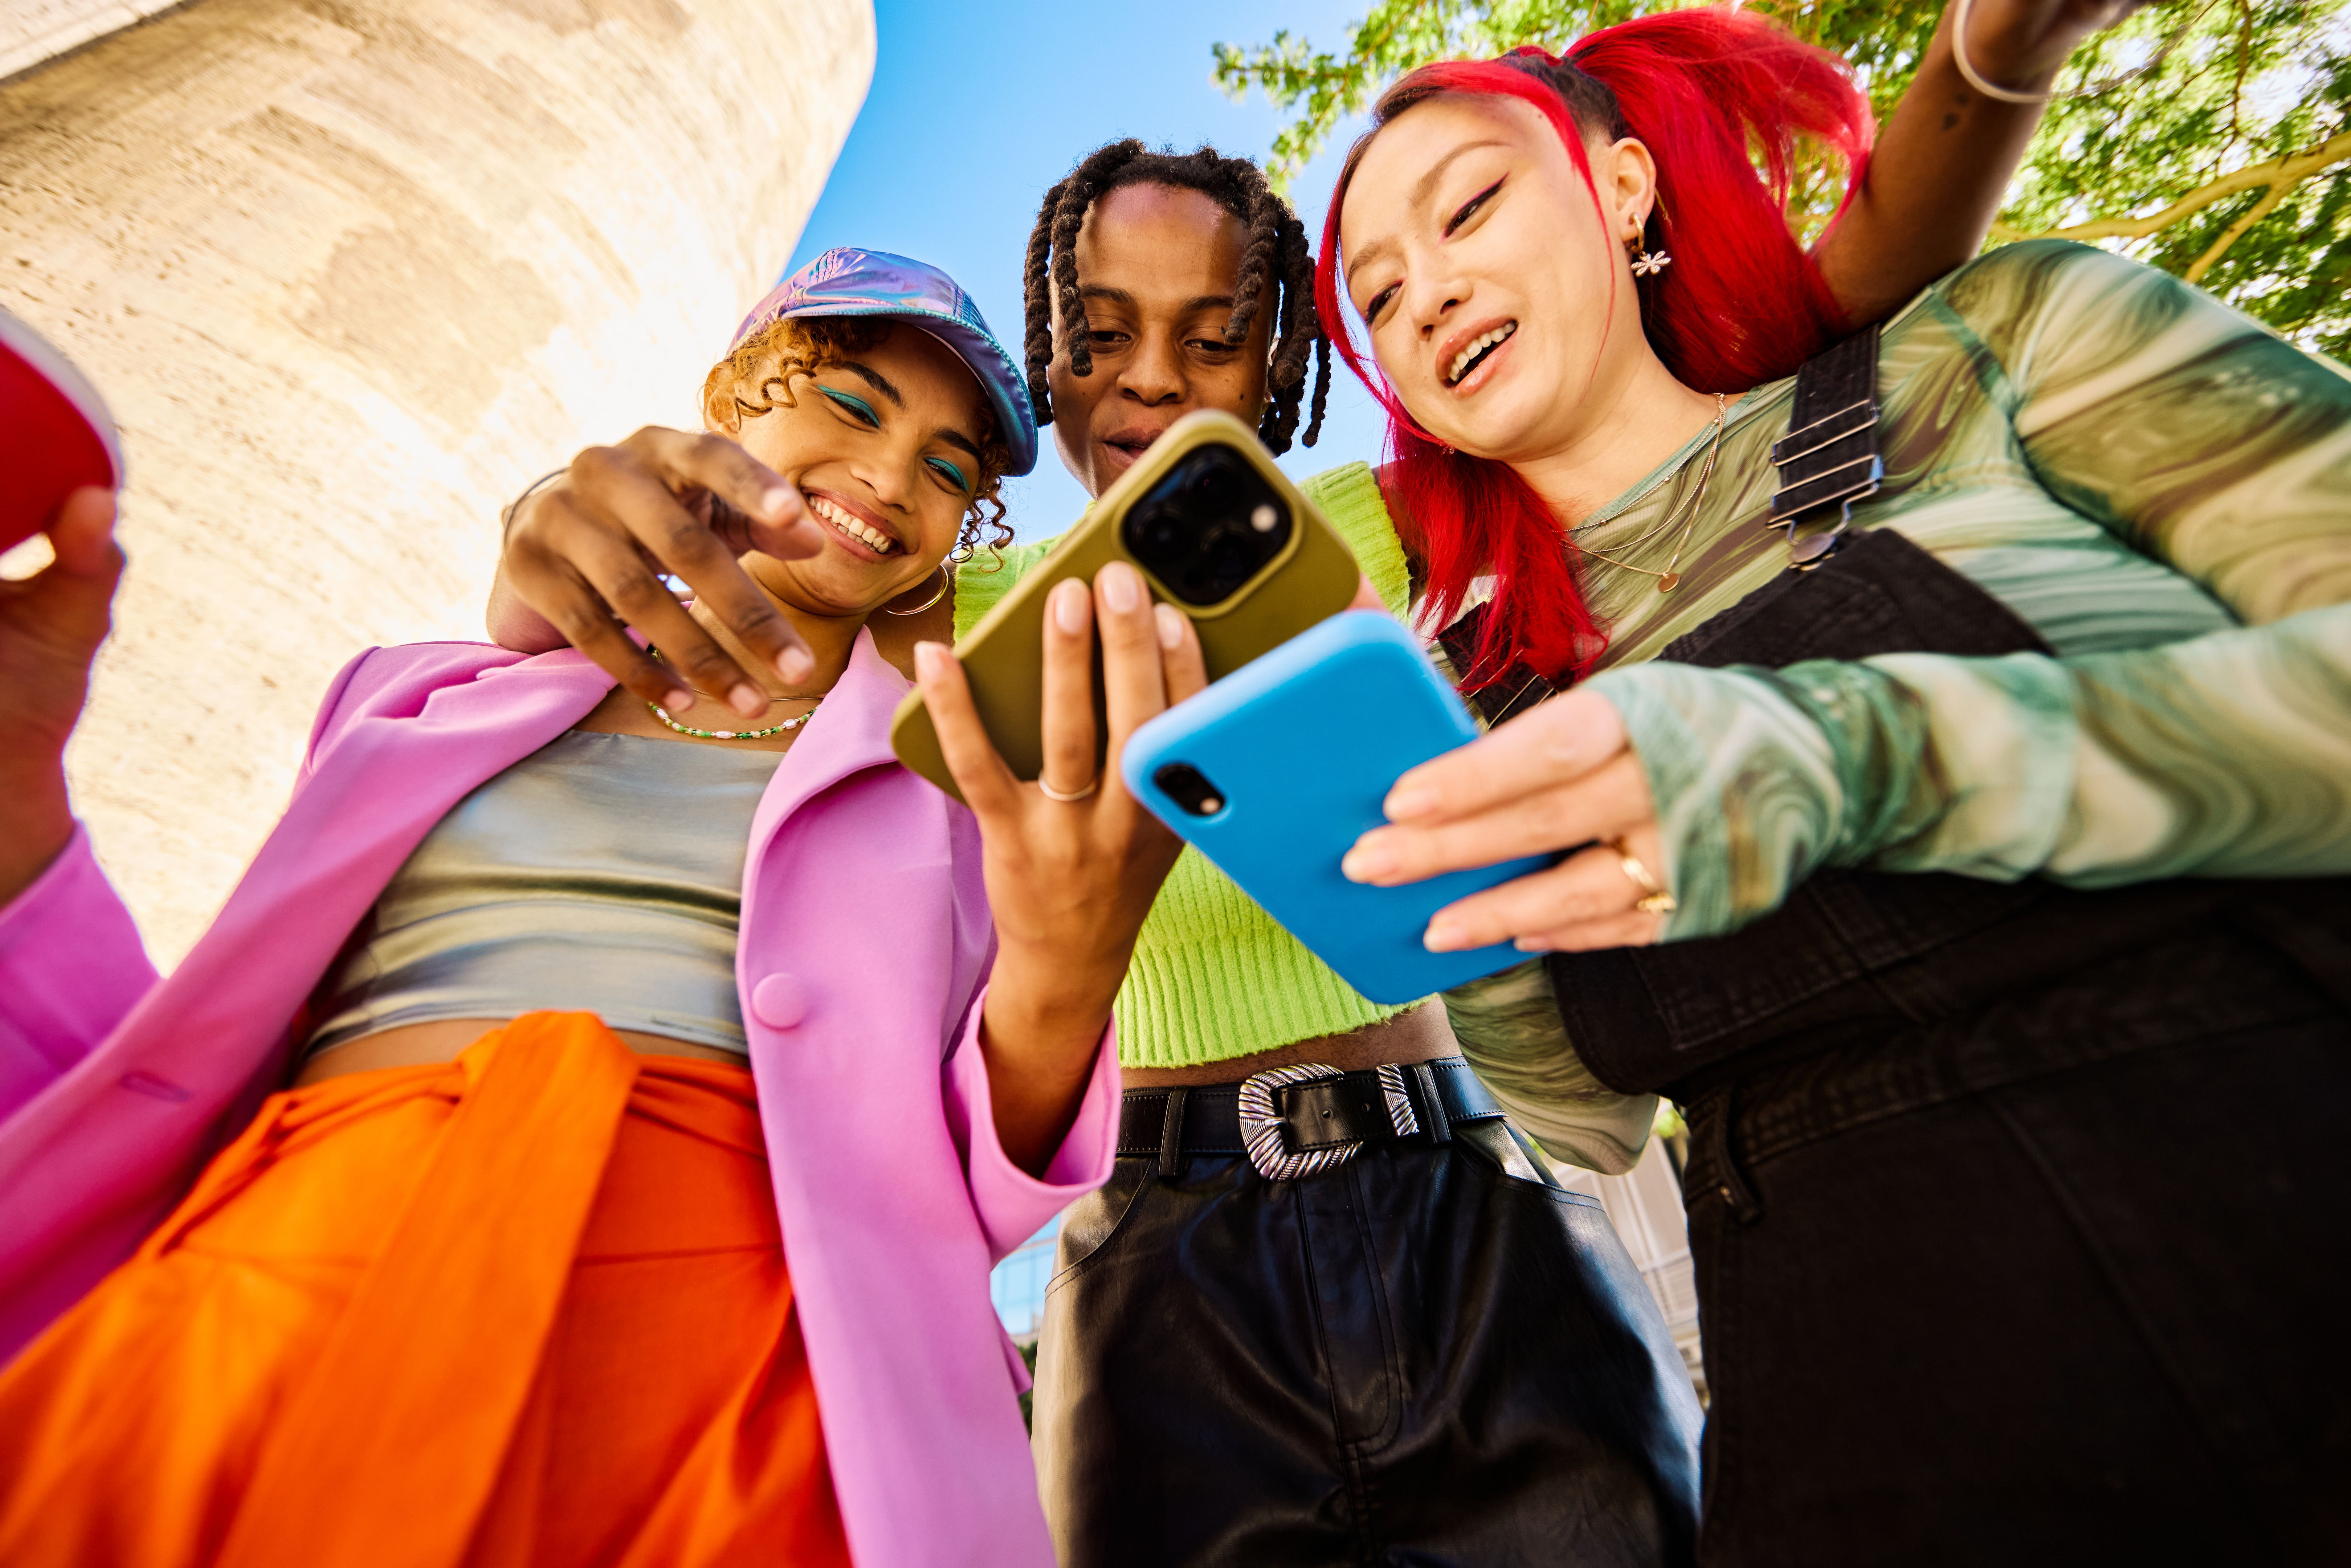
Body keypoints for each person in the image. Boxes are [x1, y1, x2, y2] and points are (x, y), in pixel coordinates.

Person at [479, 4, 2164, 1560]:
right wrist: (537, 553)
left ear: (1280, 362)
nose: (1152, 379)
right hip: (1147, 1254)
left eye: (1214, 341)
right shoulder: (947, 615)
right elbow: (726, 614)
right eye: (1104, 333)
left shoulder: (1404, 521)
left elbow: (1828, 299)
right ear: (1051, 352)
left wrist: (1992, 61)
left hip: (1468, 1186)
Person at [1319, 11, 2351, 1561]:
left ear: (1622, 190)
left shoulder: (1996, 346)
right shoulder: (1484, 707)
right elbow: (1586, 1123)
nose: (1431, 292)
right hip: (1861, 1422)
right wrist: (1416, 888)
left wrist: (1849, 754)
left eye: (1467, 208)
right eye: (1380, 300)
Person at [0, 248, 1211, 1568]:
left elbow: (981, 1181)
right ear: (734, 398)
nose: (891, 478)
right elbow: (184, 1057)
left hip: (741, 1380)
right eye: (855, 406)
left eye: (947, 470)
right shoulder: (412, 697)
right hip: (273, 1284)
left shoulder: (964, 785)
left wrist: (1072, 963)